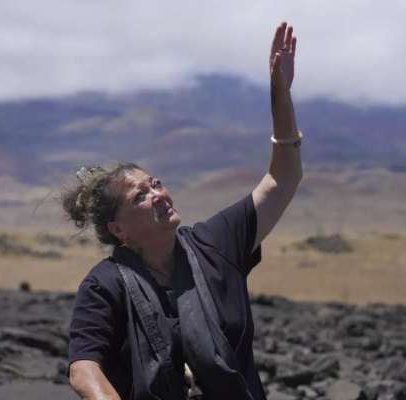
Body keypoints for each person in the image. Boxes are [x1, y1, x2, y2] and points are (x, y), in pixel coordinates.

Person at [65, 21, 302, 400]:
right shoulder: (104, 285)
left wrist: (280, 93)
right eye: (139, 196)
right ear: (118, 229)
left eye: (156, 184)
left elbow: (282, 179)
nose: (158, 195)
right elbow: (83, 368)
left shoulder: (217, 244)